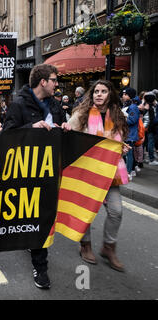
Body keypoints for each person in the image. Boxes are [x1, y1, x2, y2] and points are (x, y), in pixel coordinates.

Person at [0, 64, 70, 289]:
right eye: (54, 80)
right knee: (36, 217)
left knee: (43, 218)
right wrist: (31, 127)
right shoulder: (18, 105)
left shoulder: (56, 106)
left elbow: (61, 129)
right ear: (43, 82)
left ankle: (33, 243)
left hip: (50, 172)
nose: (56, 84)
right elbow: (7, 136)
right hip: (27, 172)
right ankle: (41, 268)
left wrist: (66, 128)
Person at [67, 80, 130, 272]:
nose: (99, 94)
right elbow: (69, 136)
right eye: (96, 91)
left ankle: (108, 247)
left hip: (110, 173)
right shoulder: (81, 114)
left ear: (110, 94)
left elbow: (120, 141)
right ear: (91, 94)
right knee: (85, 211)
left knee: (116, 211)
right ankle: (85, 244)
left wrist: (123, 149)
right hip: (86, 173)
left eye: (103, 91)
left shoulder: (118, 115)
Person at [121, 87, 140, 180]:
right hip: (126, 133)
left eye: (125, 94)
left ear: (129, 96)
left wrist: (122, 118)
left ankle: (128, 172)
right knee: (127, 154)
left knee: (129, 155)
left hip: (130, 134)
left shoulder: (133, 107)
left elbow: (132, 120)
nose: (123, 96)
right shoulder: (128, 105)